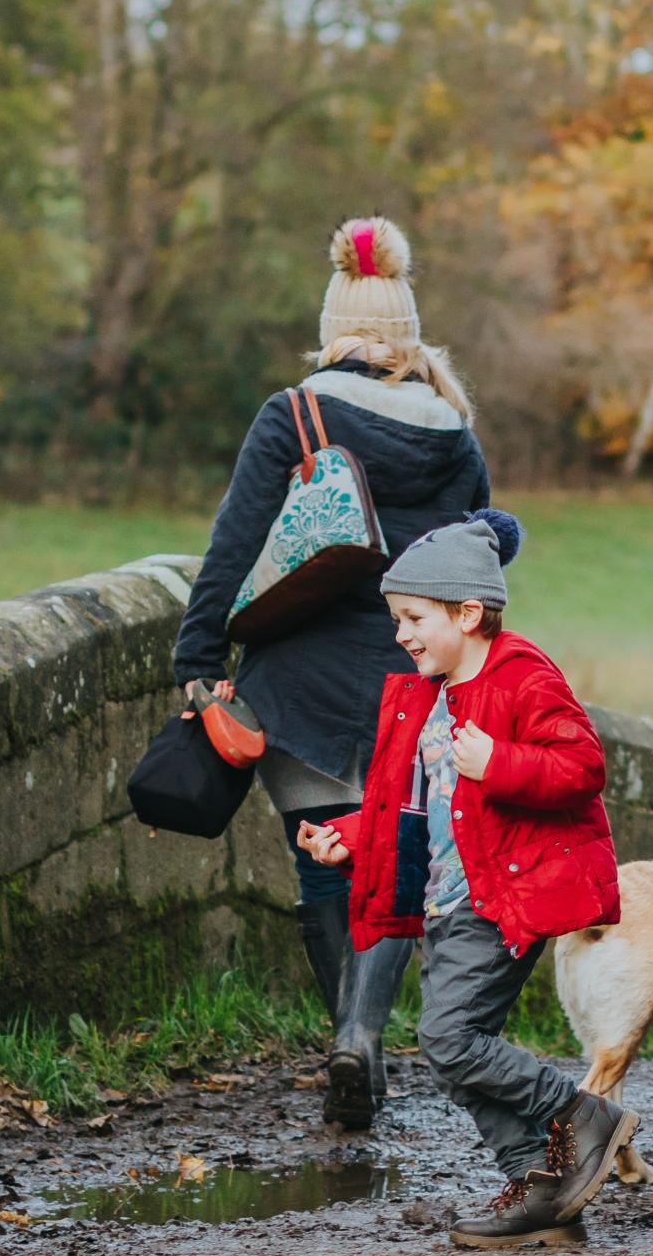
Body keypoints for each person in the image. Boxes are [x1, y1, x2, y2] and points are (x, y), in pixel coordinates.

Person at [173, 215, 489, 1131]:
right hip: (411, 678)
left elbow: (234, 544)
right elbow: (477, 569)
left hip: (300, 683)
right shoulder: (455, 434)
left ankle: (352, 1043)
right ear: (408, 329)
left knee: (322, 861)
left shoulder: (298, 412)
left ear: (333, 326)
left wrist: (198, 660)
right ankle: (363, 1029)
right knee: (391, 855)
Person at [297, 511, 639, 1248]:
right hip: (447, 900)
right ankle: (542, 1184)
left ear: (469, 612)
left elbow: (584, 769)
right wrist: (349, 837)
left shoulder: (521, 675)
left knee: (450, 1037)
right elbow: (409, 804)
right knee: (456, 1055)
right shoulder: (430, 696)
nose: (402, 634)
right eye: (397, 619)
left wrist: (504, 765)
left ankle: (582, 1114)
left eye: (414, 618)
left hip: (506, 896)